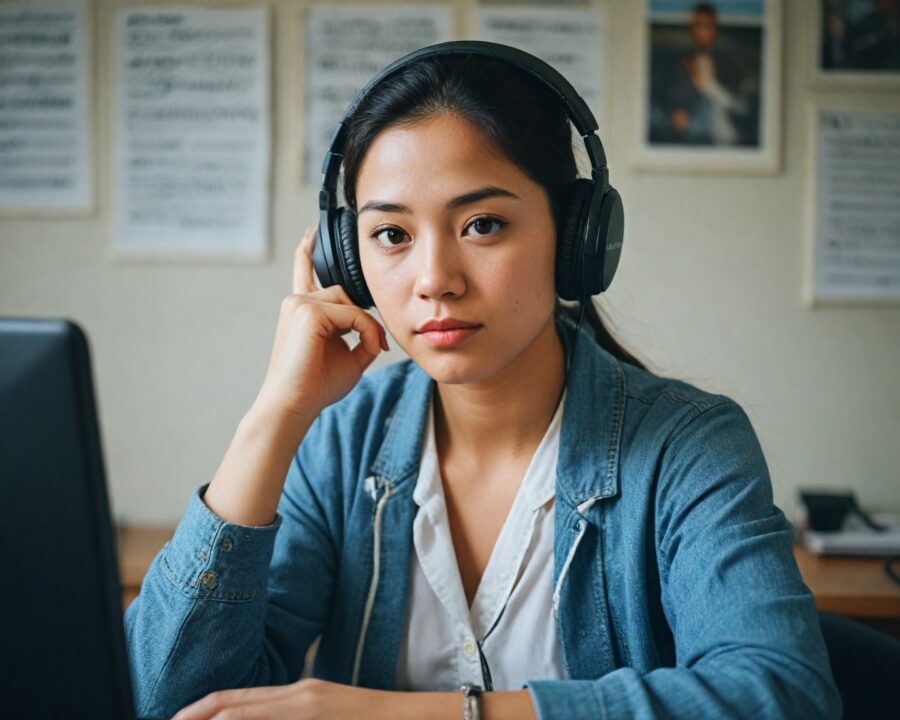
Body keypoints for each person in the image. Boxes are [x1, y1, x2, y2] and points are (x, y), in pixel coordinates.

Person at [124, 44, 841, 720]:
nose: (435, 280)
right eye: (392, 235)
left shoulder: (688, 447)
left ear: (576, 236)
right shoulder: (341, 439)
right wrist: (275, 414)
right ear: (349, 260)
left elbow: (780, 694)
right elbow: (166, 697)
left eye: (483, 224)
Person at [652, 2, 757, 146]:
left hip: (726, 139)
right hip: (689, 139)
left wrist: (709, 86)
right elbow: (661, 99)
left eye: (705, 26)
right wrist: (673, 114)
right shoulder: (677, 64)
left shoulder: (732, 64)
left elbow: (742, 108)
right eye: (696, 26)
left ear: (715, 28)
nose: (700, 32)